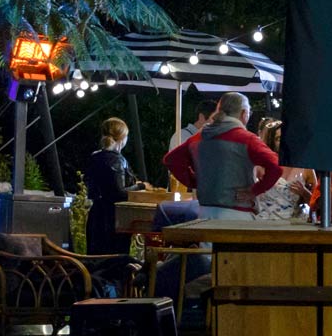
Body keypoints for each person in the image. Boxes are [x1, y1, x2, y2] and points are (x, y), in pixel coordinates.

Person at [163, 92, 281, 220]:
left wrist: (195, 182)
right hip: (238, 214)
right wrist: (255, 190)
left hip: (204, 212)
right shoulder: (247, 139)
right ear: (244, 113)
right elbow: (276, 166)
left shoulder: (199, 137)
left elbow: (171, 160)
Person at [84, 118, 145, 255]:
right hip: (114, 218)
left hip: (96, 215)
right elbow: (119, 192)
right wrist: (140, 186)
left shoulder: (95, 157)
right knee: (114, 261)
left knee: (96, 260)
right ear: (122, 137)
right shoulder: (117, 159)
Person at [251, 121, 311, 220]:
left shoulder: (305, 167)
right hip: (264, 222)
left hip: (294, 224)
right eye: (278, 139)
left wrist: (304, 193)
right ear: (272, 141)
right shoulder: (261, 167)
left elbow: (318, 203)